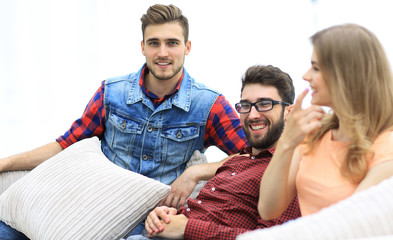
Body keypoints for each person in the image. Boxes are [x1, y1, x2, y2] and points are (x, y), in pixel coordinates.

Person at [0, 4, 247, 239]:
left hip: (155, 222)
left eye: (172, 43)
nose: (163, 53)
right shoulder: (111, 93)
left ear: (187, 47)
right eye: (154, 43)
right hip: (93, 211)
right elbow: (66, 145)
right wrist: (6, 162)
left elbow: (254, 155)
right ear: (142, 47)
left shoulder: (208, 104)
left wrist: (197, 172)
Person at [128, 65, 301, 240]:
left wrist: (187, 227)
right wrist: (166, 216)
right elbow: (208, 214)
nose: (253, 115)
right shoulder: (238, 161)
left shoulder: (289, 170)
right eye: (246, 105)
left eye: (265, 104)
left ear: (289, 112)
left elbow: (273, 237)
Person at [258, 24, 393, 221]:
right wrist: (287, 141)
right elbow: (268, 209)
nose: (306, 76)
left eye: (316, 68)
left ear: (347, 75)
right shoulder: (314, 134)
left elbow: (350, 226)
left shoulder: (386, 146)